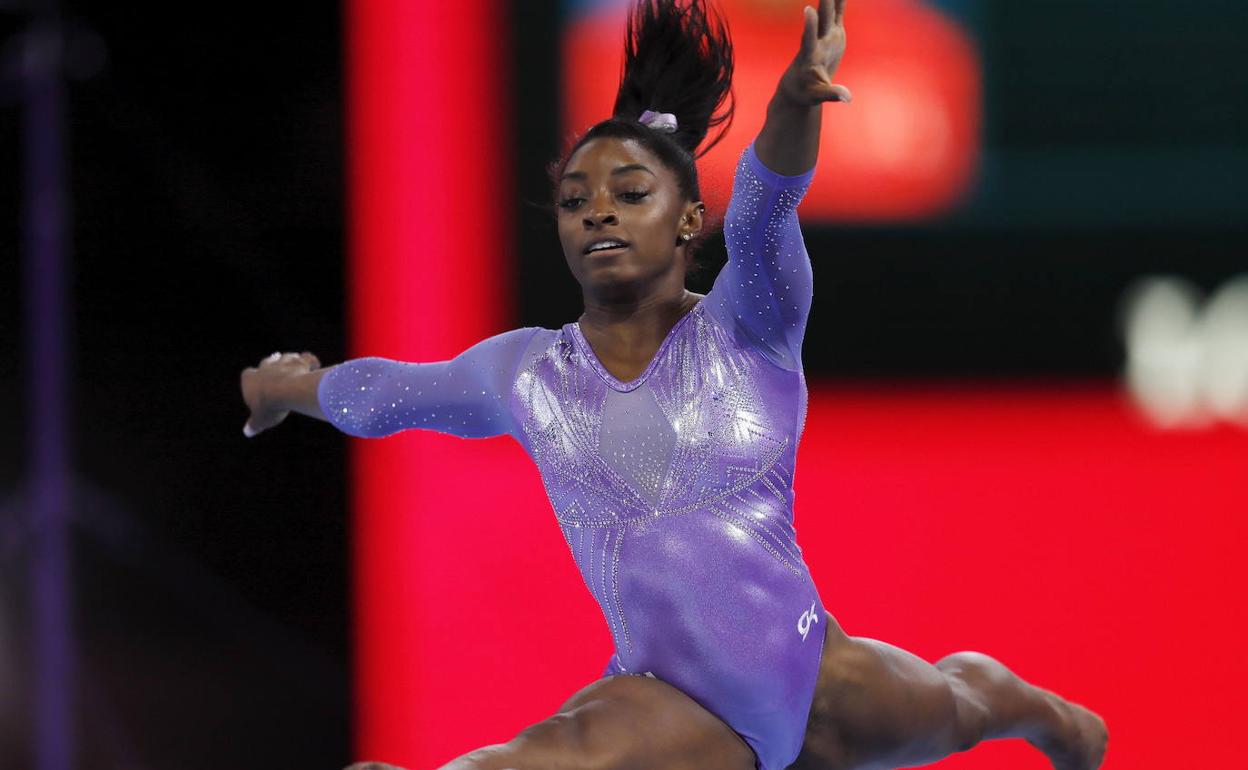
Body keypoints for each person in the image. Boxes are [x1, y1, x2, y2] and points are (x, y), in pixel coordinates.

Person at [239, 2, 1108, 769]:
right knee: (554, 757)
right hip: (670, 700)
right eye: (578, 201)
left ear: (690, 218)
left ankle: (1055, 722)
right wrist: (295, 389)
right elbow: (393, 394)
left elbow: (767, 204)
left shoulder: (748, 326)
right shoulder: (528, 373)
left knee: (961, 709)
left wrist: (794, 106)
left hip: (810, 680)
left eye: (629, 192)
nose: (599, 213)